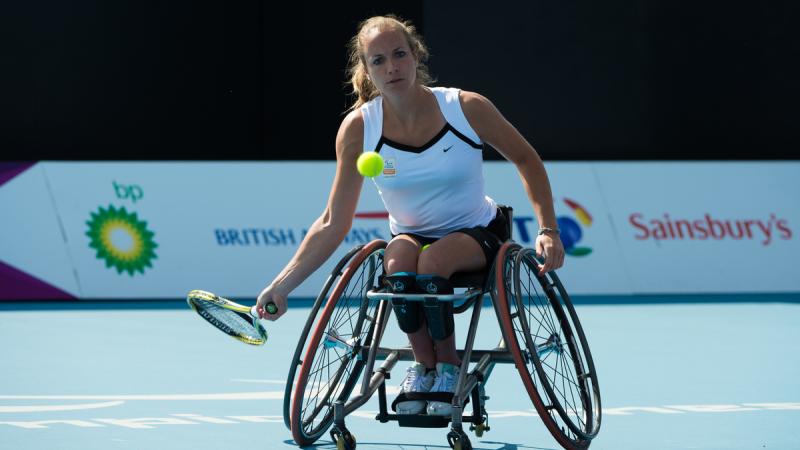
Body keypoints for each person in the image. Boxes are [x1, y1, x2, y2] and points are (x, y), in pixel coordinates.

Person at [256, 14, 565, 417]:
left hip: (479, 232)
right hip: (411, 239)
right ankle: (425, 367)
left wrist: (548, 229)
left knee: (431, 261)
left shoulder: (465, 108)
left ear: (416, 56)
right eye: (379, 60)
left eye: (400, 54)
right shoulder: (358, 129)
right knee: (398, 262)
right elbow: (334, 220)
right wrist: (281, 286)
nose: (392, 67)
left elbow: (526, 159)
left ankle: (450, 367)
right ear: (366, 70)